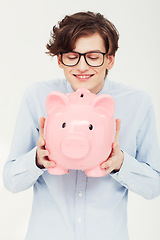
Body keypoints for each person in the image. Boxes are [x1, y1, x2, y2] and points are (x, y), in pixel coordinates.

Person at [3, 11, 160, 240]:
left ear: (110, 59)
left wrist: (121, 164)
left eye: (93, 56)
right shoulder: (38, 97)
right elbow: (11, 182)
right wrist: (37, 159)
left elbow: (154, 186)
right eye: (72, 56)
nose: (82, 66)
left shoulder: (136, 103)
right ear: (60, 59)